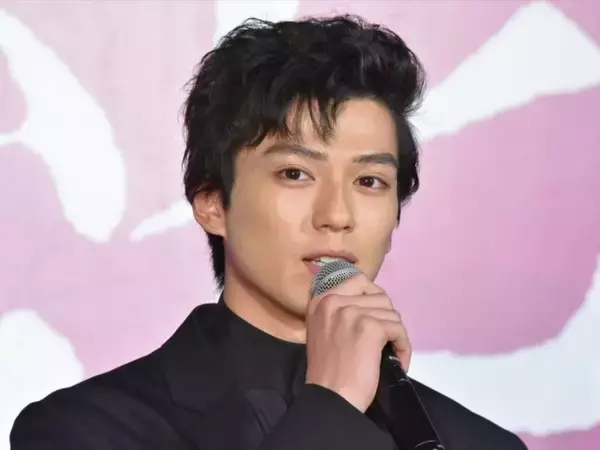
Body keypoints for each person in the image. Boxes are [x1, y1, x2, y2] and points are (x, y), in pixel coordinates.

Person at [10, 15, 527, 450]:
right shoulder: (84, 429)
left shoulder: (477, 442)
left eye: (369, 181)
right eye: (295, 174)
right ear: (212, 202)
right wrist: (334, 403)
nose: (336, 215)